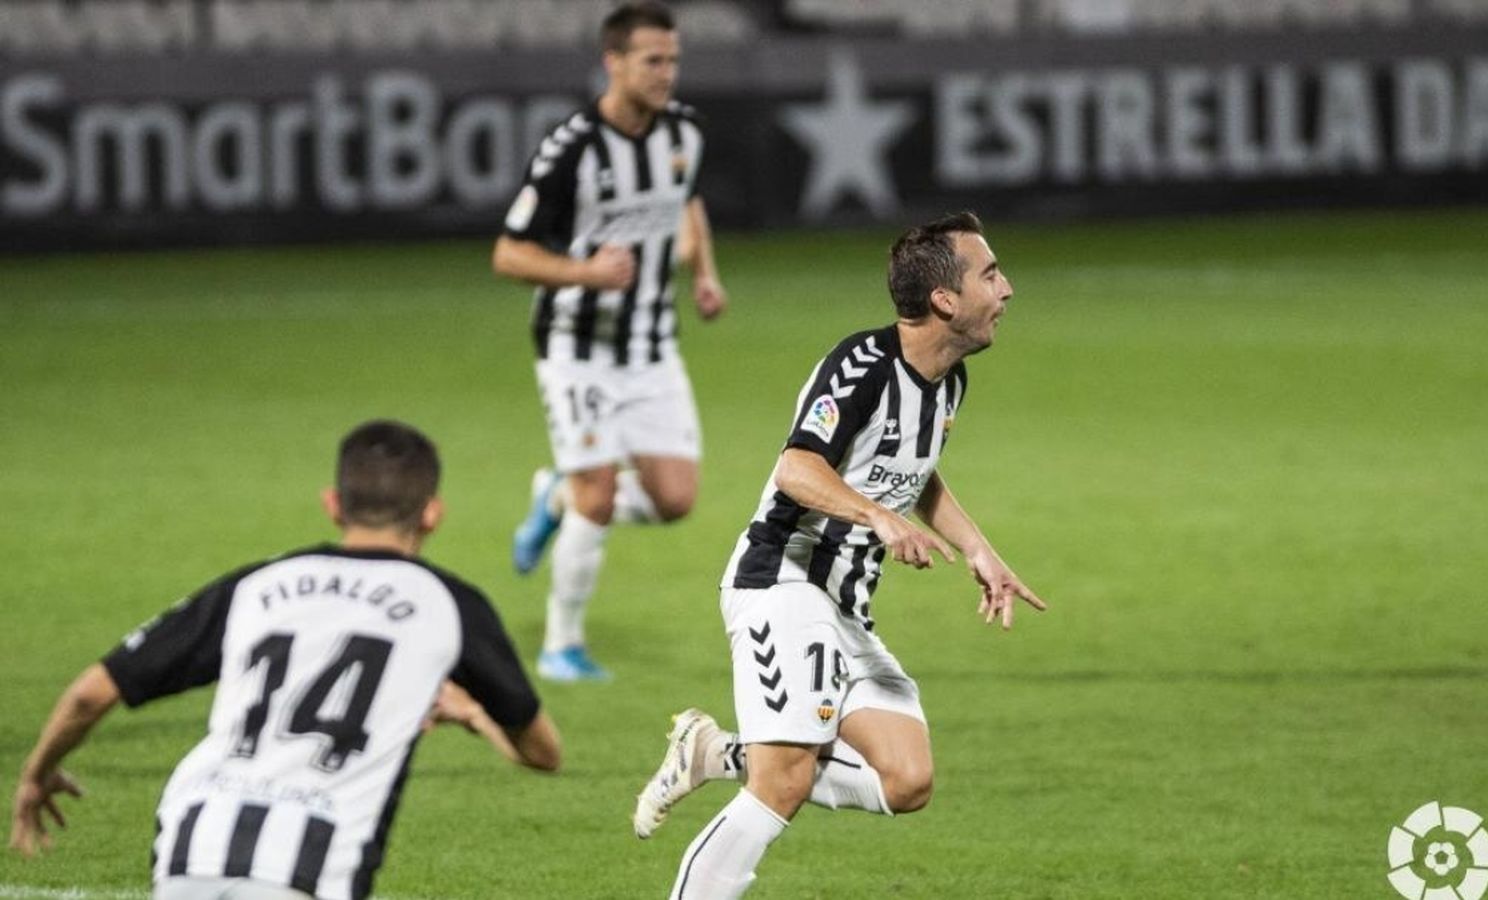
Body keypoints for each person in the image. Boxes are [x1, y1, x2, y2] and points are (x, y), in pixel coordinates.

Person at [631, 212, 1048, 898]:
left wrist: (980, 549)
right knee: (784, 781)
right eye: (991, 275)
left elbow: (913, 472)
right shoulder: (862, 366)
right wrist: (877, 518)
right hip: (782, 580)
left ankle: (716, 752)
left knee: (907, 780)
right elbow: (798, 468)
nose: (1006, 290)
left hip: (845, 606)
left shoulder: (949, 382)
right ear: (945, 300)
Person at [9, 421, 561, 900]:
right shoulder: (448, 606)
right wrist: (474, 715)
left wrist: (35, 775)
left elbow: (91, 693)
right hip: (307, 866)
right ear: (433, 513)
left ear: (333, 504)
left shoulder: (260, 583)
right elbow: (542, 752)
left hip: (190, 848)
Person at [492, 0, 727, 682]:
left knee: (675, 500)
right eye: (653, 60)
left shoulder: (685, 130)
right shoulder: (572, 148)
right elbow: (508, 254)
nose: (666, 73)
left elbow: (688, 199)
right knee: (598, 492)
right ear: (614, 62)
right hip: (577, 345)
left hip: (653, 344)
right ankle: (561, 645)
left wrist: (704, 272)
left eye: (673, 60)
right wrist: (585, 272)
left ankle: (552, 496)